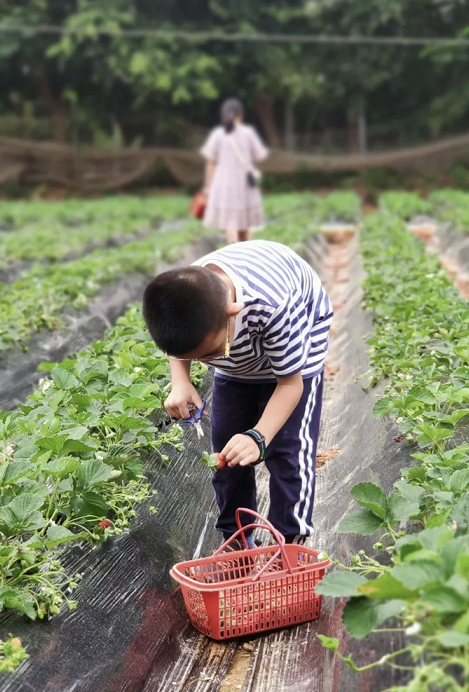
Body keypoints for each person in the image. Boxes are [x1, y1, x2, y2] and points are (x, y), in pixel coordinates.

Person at [142, 239, 333, 547]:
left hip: (299, 342)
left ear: (233, 311)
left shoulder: (273, 305)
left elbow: (289, 385)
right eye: (200, 357)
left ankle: (288, 545)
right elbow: (181, 347)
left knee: (288, 451)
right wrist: (180, 380)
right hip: (240, 358)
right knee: (227, 454)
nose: (208, 361)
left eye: (212, 352)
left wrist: (259, 436)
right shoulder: (184, 302)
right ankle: (237, 541)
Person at [201, 98, 269, 245]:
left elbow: (210, 162)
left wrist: (207, 186)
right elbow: (260, 155)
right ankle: (243, 255)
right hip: (245, 184)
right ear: (241, 115)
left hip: (224, 184)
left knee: (230, 222)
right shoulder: (248, 133)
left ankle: (233, 253)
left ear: (223, 116)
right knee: (244, 221)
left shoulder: (218, 134)